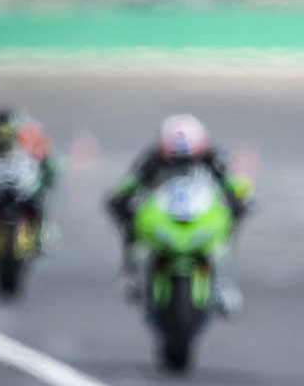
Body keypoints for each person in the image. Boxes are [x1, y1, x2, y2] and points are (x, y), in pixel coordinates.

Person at [105, 114, 250, 313]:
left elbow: (232, 181)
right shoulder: (152, 159)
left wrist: (241, 196)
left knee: (227, 230)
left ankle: (224, 284)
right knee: (132, 227)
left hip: (199, 213)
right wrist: (120, 196)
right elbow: (132, 181)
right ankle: (131, 274)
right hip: (162, 214)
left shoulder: (214, 159)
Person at [0, 108, 59, 243]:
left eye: (7, 131)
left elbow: (47, 163)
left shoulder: (30, 143)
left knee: (39, 201)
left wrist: (45, 174)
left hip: (22, 186)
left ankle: (42, 232)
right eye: (0, 131)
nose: (3, 136)